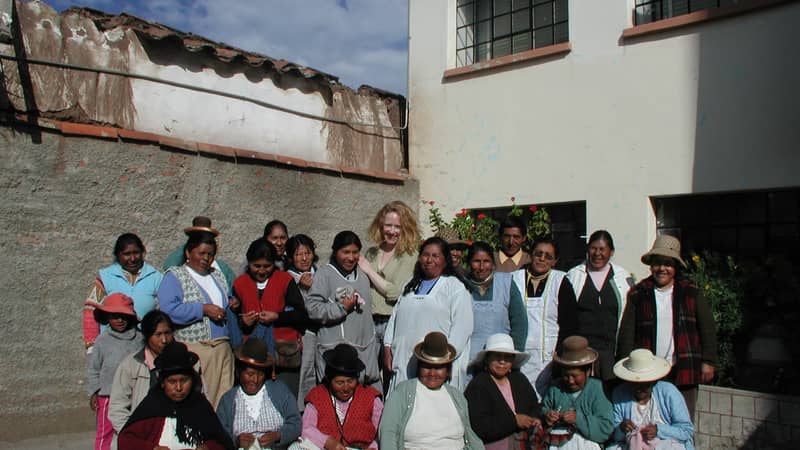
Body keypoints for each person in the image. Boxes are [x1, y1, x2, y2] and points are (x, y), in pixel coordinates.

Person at [617, 235, 717, 420]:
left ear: (675, 267)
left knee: (682, 421)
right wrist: (625, 365)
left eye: (668, 264)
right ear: (651, 265)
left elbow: (707, 328)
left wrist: (709, 361)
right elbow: (627, 333)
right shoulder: (639, 293)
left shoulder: (690, 292)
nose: (662, 268)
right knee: (650, 422)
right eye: (657, 263)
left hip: (683, 369)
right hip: (647, 372)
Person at [384, 237, 474, 392]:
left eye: (435, 256)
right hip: (403, 359)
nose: (429, 260)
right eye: (426, 255)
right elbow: (395, 317)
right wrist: (387, 347)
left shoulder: (454, 287)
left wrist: (443, 361)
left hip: (434, 367)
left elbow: (462, 328)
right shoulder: (410, 284)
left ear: (445, 261)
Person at [158, 230, 236, 408]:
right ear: (188, 253)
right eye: (201, 253)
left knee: (224, 400)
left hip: (222, 348)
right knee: (202, 399)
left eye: (210, 254)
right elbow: (168, 309)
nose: (206, 258)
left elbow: (226, 300)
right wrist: (202, 309)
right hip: (198, 348)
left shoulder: (217, 275)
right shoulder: (176, 276)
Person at [118, 342, 234, 450]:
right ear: (163, 383)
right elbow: (125, 441)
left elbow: (222, 442)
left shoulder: (200, 407)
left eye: (184, 380)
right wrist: (153, 448)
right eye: (172, 382)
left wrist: (208, 447)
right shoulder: (153, 406)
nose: (179, 388)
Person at [379, 332, 484, 450]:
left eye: (439, 368)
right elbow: (388, 432)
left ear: (447, 370)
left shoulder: (457, 396)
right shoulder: (402, 392)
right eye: (427, 366)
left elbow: (471, 435)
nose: (432, 373)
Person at [234, 239, 309, 397]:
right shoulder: (239, 284)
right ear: (249, 263)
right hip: (252, 356)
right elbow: (234, 318)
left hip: (283, 355)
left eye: (266, 266)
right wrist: (243, 322)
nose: (261, 271)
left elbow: (301, 314)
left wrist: (277, 316)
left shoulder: (284, 280)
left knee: (284, 399)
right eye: (257, 266)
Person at [358, 201, 420, 393]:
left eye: (397, 226)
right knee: (367, 373)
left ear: (405, 228)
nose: (392, 231)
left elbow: (395, 292)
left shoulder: (409, 255)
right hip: (368, 319)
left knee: (390, 372)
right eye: (388, 225)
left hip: (391, 322)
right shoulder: (372, 252)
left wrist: (369, 270)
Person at [305, 231, 380, 389]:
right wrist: (341, 308)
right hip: (334, 352)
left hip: (363, 350)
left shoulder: (362, 276)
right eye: (345, 252)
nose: (351, 257)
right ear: (335, 251)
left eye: (355, 252)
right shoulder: (325, 274)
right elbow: (312, 308)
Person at [566, 230, 634, 383]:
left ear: (611, 252)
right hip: (582, 353)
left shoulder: (622, 278)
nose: (597, 253)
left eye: (602, 249)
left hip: (610, 354)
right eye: (593, 248)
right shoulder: (573, 275)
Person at [519, 237, 579, 399]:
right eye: (538, 254)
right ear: (531, 255)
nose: (542, 259)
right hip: (519, 355)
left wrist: (560, 354)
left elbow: (570, 323)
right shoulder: (514, 279)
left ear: (555, 261)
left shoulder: (561, 281)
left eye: (548, 256)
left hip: (550, 357)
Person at [217, 338, 302, 450]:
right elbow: (219, 434)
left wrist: (278, 435)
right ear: (239, 372)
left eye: (260, 374)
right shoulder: (228, 400)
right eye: (250, 374)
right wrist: (236, 440)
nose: (255, 380)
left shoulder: (279, 390)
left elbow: (296, 423)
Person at [83, 233, 161, 354]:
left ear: (143, 252)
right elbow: (90, 309)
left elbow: (163, 313)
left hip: (144, 347)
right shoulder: (105, 277)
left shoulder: (156, 277)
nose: (133, 258)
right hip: (110, 347)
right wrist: (92, 346)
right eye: (127, 254)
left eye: (136, 252)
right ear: (118, 255)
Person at [295, 343, 383, 450]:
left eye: (350, 381)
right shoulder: (317, 396)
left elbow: (383, 429)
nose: (346, 388)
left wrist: (374, 447)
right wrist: (326, 441)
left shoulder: (371, 397)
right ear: (329, 380)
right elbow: (306, 428)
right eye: (339, 383)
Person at [86, 293, 144, 450]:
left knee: (132, 431)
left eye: (123, 316)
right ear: (106, 317)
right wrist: (94, 391)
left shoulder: (140, 339)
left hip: (134, 395)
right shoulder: (102, 340)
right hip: (107, 396)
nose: (119, 320)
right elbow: (94, 368)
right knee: (105, 432)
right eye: (114, 316)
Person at [464, 333, 541, 450]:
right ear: (487, 358)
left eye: (507, 357)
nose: (502, 361)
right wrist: (514, 421)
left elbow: (534, 407)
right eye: (497, 356)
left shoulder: (519, 379)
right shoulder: (478, 385)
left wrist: (534, 419)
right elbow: (479, 426)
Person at [608, 349, 695, 450]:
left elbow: (686, 430)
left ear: (653, 381)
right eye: (635, 383)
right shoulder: (619, 393)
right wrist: (622, 428)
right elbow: (614, 435)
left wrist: (659, 430)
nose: (640, 388)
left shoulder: (669, 392)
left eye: (645, 383)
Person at [538, 336, 614, 450]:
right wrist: (547, 416)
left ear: (587, 372)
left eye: (575, 376)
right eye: (566, 375)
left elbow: (606, 428)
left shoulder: (597, 389)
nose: (570, 381)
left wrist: (578, 419)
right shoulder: (555, 388)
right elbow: (543, 410)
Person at [109, 311, 176, 437]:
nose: (164, 340)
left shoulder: (187, 363)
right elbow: (117, 408)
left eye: (167, 333)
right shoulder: (130, 365)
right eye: (158, 334)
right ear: (147, 336)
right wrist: (133, 436)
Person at [464, 241, 527, 367]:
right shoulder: (461, 285)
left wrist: (514, 357)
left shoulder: (506, 283)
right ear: (469, 263)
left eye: (486, 261)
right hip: (468, 359)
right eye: (476, 261)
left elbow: (520, 323)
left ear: (493, 263)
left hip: (500, 359)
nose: (482, 267)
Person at [285, 234, 321, 410]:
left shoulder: (321, 274)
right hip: (304, 333)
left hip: (323, 332)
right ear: (291, 257)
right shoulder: (288, 279)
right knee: (305, 373)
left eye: (307, 253)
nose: (304, 258)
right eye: (299, 254)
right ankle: (302, 411)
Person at [162, 216, 237, 287]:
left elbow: (233, 287)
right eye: (201, 253)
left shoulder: (221, 268)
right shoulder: (180, 269)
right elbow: (168, 265)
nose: (205, 258)